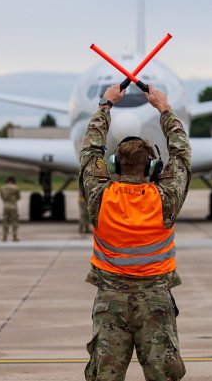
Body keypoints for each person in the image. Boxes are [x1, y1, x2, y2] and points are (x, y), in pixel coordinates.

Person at [79, 84, 191, 381]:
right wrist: (164, 107)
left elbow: (89, 151)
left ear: (115, 164)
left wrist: (106, 105)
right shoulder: (164, 198)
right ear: (152, 167)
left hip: (110, 301)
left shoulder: (100, 197)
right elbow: (181, 154)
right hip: (155, 302)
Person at [0, 176, 21, 242]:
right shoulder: (16, 188)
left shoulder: (2, 188)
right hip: (13, 206)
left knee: (5, 222)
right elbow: (19, 197)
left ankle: (4, 237)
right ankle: (15, 236)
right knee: (14, 221)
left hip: (5, 206)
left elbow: (2, 197)